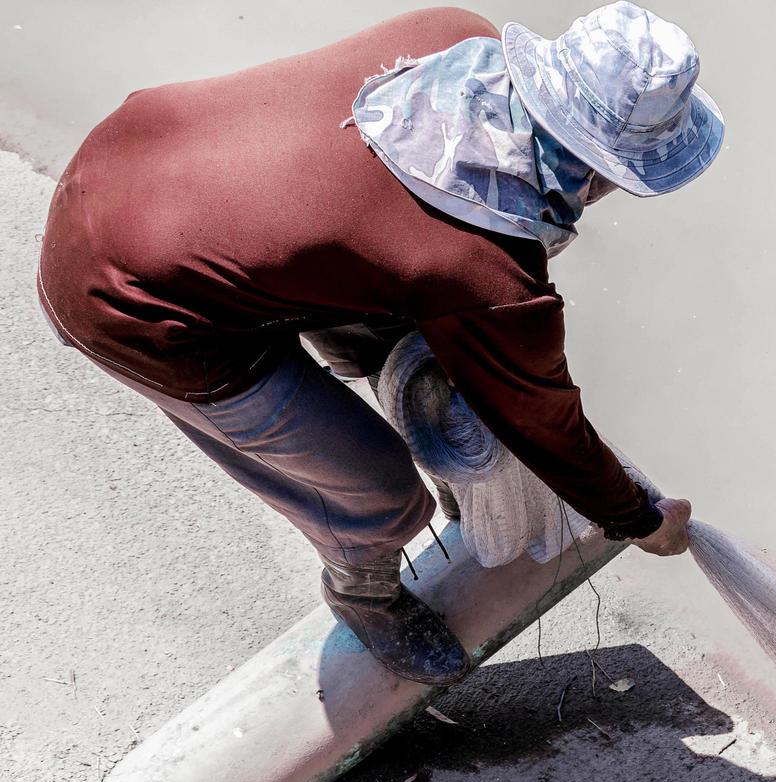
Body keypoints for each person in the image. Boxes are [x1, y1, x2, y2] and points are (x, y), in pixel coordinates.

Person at [35, 3, 720, 685]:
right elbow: (542, 421)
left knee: (395, 299)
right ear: (598, 168)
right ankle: (362, 592)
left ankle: (391, 409)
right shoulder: (485, 273)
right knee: (378, 494)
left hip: (128, 155)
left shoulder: (452, 34)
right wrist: (636, 520)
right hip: (126, 300)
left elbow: (375, 221)